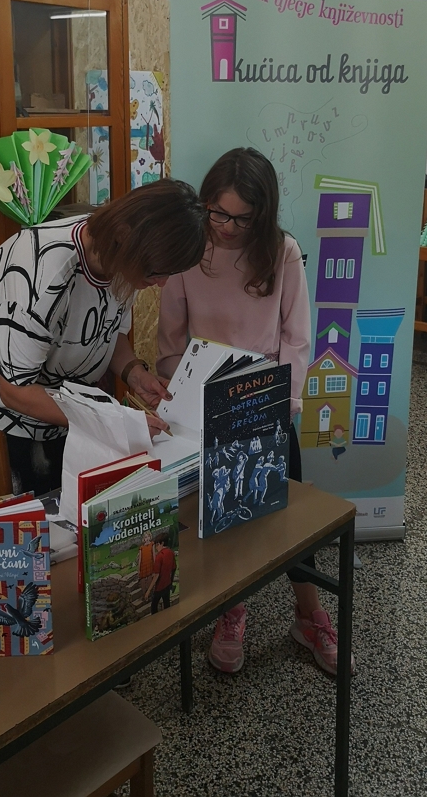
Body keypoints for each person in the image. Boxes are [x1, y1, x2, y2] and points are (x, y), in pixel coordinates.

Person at [157, 147, 354, 677]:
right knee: (223, 522)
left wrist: (283, 405)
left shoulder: (281, 251)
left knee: (286, 520)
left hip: (267, 404)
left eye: (242, 219)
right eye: (218, 214)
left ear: (261, 216)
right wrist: (184, 394)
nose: (227, 228)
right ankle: (232, 611)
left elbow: (297, 337)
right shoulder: (188, 251)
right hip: (206, 406)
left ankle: (309, 616)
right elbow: (170, 344)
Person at [0, 179, 207, 505]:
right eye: (155, 272)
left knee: (66, 514)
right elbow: (15, 391)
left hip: (60, 405)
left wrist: (135, 373)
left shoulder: (121, 256)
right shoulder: (45, 271)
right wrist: (112, 422)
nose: (161, 283)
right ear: (124, 236)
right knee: (25, 524)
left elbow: (109, 332)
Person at [145, 533, 177, 613]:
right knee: (167, 603)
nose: (156, 548)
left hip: (159, 587)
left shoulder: (159, 556)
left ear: (162, 543)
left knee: (154, 606)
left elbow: (156, 575)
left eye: (157, 545)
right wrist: (171, 581)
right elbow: (174, 568)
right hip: (167, 584)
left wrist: (148, 590)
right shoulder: (171, 552)